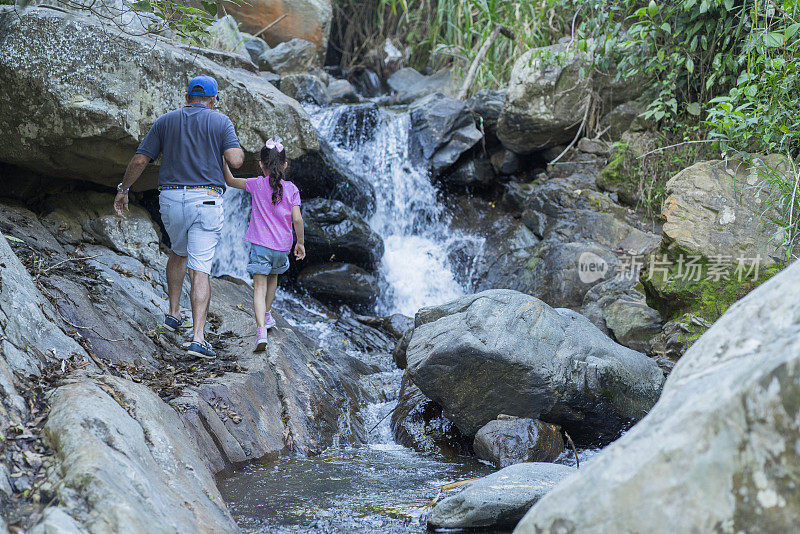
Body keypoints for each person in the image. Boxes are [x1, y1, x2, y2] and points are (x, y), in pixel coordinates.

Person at [113, 75, 244, 359]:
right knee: (200, 268)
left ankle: (173, 314)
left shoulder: (165, 121)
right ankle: (198, 338)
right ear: (213, 101)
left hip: (171, 200)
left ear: (186, 98)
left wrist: (123, 190)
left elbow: (139, 160)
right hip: (206, 201)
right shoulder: (221, 122)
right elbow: (235, 161)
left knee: (178, 251)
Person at [222, 137, 306, 352]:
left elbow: (230, 181)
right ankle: (267, 316)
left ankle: (261, 332)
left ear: (261, 164)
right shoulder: (292, 189)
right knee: (273, 280)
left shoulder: (256, 184)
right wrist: (301, 243)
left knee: (258, 288)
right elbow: (297, 219)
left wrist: (223, 159)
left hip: (260, 246)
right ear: (285, 165)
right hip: (282, 248)